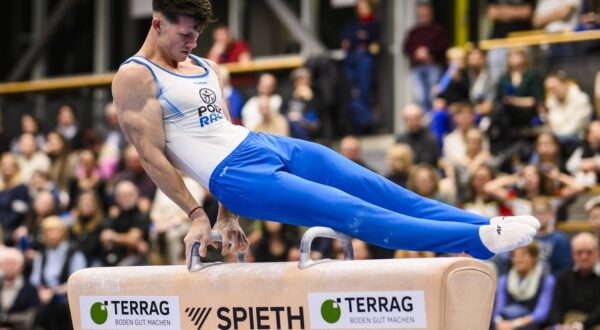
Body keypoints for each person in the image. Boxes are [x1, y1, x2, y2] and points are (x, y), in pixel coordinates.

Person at [111, 0, 539, 268]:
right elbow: (151, 156)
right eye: (185, 33)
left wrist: (227, 216)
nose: (192, 41)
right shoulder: (135, 76)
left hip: (259, 143)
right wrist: (196, 215)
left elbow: (223, 127)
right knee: (349, 211)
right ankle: (469, 239)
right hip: (236, 177)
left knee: (382, 189)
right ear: (157, 24)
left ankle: (483, 228)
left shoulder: (207, 67)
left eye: (198, 33)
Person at [493, 243, 555, 330]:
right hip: (504, 323)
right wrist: (499, 323)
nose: (518, 259)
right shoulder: (504, 280)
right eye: (514, 256)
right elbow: (498, 309)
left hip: (530, 325)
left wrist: (514, 324)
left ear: (534, 257)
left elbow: (541, 314)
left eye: (523, 255)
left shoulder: (546, 281)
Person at [403, 1, 449, 113]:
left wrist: (429, 52)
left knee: (433, 96)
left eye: (426, 13)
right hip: (417, 68)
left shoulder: (438, 29)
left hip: (434, 67)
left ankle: (433, 122)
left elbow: (444, 46)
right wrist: (417, 53)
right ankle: (424, 121)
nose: (423, 15)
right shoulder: (413, 32)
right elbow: (406, 48)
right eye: (421, 13)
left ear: (431, 13)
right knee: (419, 97)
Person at [548, 233, 600, 330]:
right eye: (579, 252)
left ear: (598, 253)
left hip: (594, 323)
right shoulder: (564, 277)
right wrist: (558, 325)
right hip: (568, 322)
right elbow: (556, 308)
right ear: (572, 254)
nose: (584, 257)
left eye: (589, 252)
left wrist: (581, 325)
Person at [0, 248, 40, 330]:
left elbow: (31, 318)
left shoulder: (30, 289)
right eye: (5, 263)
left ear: (21, 266)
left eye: (12, 263)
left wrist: (6, 319)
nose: (8, 267)